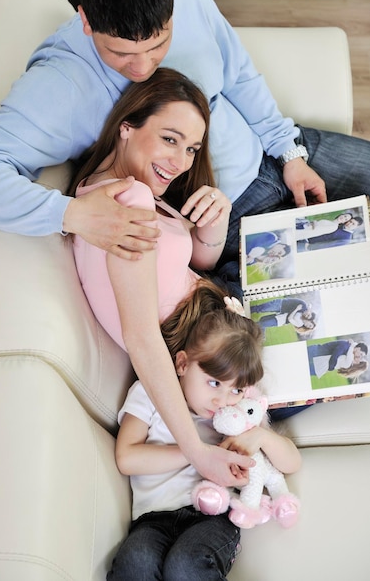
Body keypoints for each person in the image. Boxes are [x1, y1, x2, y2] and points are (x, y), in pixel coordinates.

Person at [0, 0, 370, 280]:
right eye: (120, 53)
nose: (143, 68)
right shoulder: (61, 85)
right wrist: (71, 215)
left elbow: (238, 73)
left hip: (273, 153)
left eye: (159, 45)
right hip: (225, 225)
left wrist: (289, 152)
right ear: (85, 19)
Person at [70, 66, 256, 488]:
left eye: (191, 148)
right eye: (169, 139)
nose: (180, 162)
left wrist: (215, 219)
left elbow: (200, 263)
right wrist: (197, 452)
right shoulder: (128, 202)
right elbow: (141, 337)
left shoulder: (122, 188)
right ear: (126, 127)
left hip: (218, 306)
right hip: (213, 353)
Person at [106, 289, 301, 580]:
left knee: (185, 565)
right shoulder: (150, 393)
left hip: (214, 517)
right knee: (136, 562)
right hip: (152, 519)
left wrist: (260, 438)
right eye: (213, 383)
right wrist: (196, 452)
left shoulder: (237, 415)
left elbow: (291, 463)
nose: (222, 400)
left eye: (235, 389)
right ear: (182, 364)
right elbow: (127, 458)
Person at [251, 297, 316, 336]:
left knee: (263, 322)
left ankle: (252, 328)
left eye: (308, 317)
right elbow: (308, 307)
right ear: (310, 311)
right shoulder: (303, 306)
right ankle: (246, 309)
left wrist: (296, 309)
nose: (307, 316)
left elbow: (290, 318)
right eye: (308, 315)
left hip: (280, 317)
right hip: (280, 305)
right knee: (260, 309)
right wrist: (309, 307)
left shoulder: (300, 321)